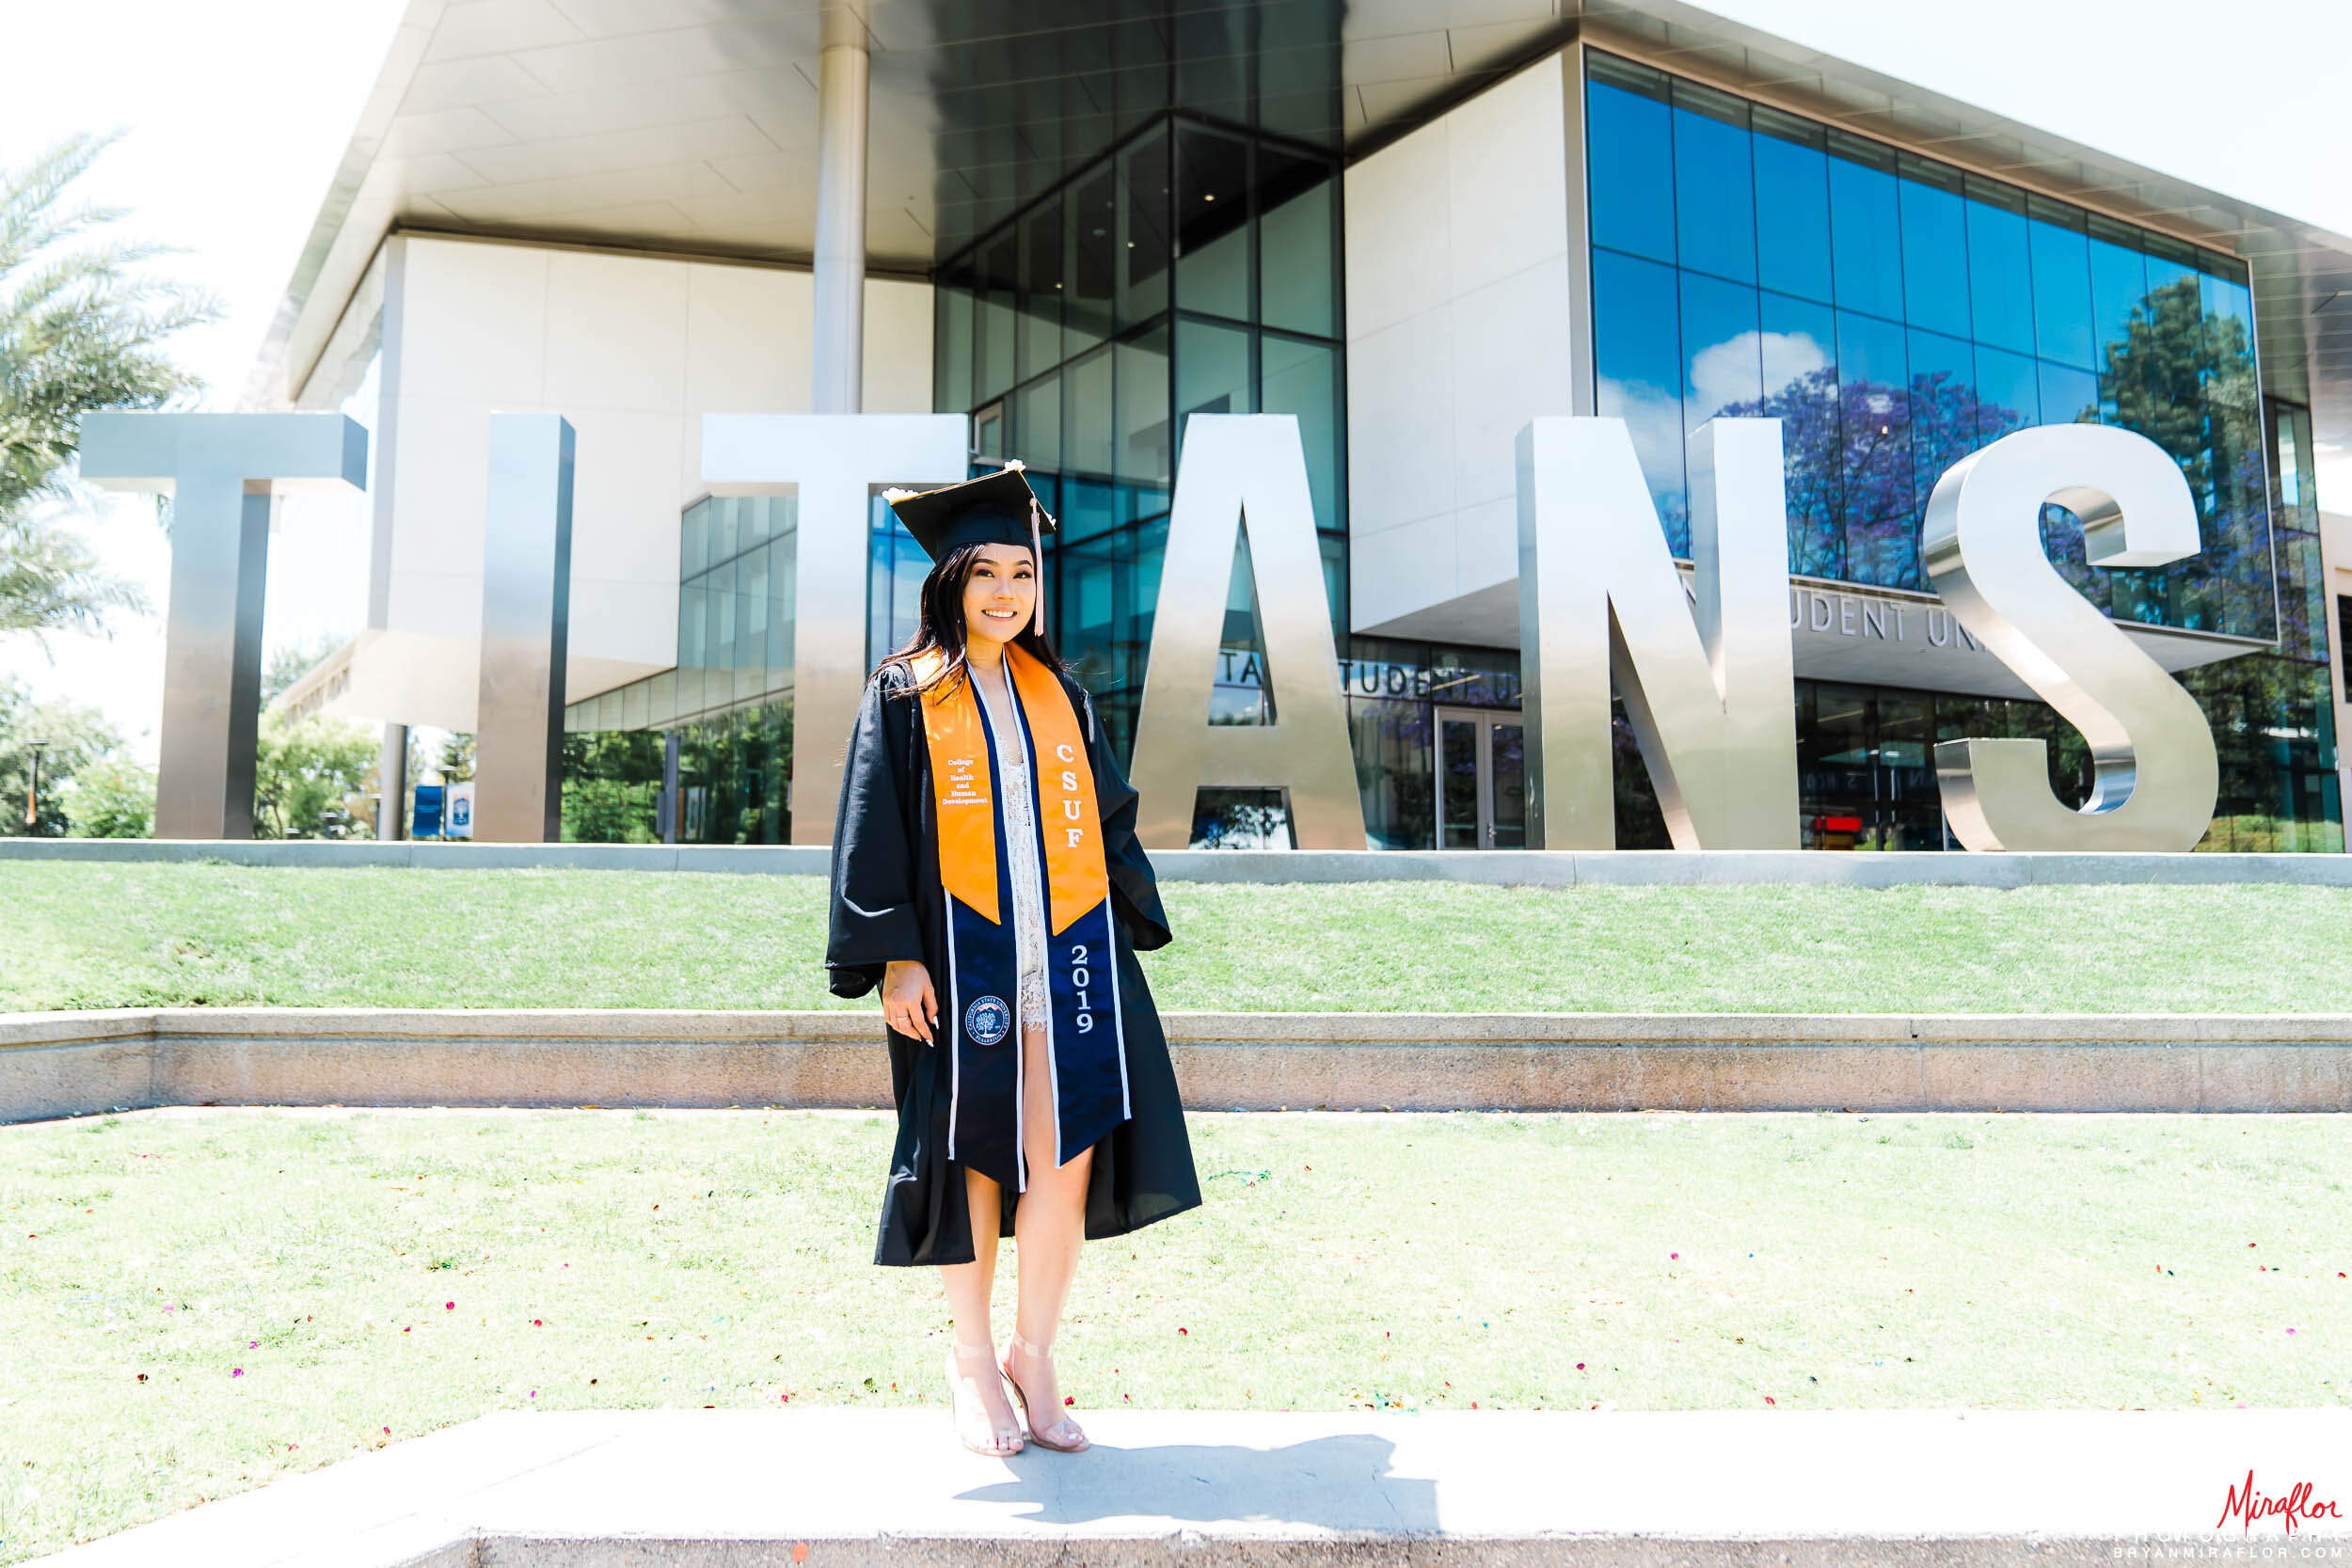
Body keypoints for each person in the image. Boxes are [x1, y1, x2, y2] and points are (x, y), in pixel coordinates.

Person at [824, 463, 1203, 1458]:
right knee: (975, 1160)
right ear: (950, 579)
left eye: (1022, 573)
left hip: (1070, 964)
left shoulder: (1060, 692)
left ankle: (1034, 1354)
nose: (1005, 591)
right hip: (962, 962)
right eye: (985, 571)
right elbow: (874, 831)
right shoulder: (907, 691)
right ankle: (969, 1357)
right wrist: (896, 957)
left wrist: (1124, 926)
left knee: (1064, 1163)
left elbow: (1108, 819)